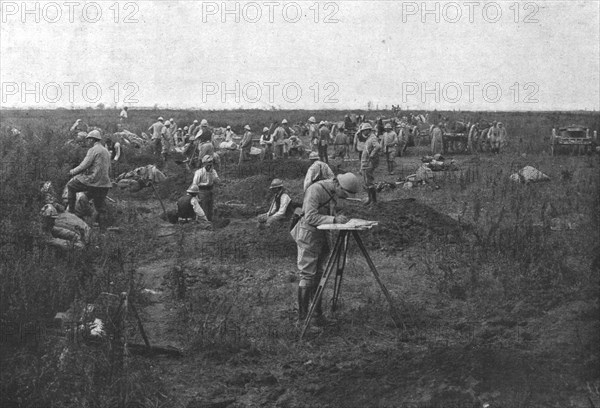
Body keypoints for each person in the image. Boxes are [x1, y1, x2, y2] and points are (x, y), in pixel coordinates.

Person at [290, 172, 360, 322]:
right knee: (307, 275)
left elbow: (328, 210)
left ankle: (317, 315)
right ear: (337, 184)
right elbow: (309, 216)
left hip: (322, 236)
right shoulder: (315, 190)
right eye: (344, 193)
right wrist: (334, 219)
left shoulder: (334, 191)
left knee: (319, 274)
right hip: (308, 236)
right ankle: (303, 319)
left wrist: (335, 217)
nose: (344, 197)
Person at [66, 130, 112, 230]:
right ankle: (103, 231)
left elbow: (84, 165)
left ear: (92, 139)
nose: (87, 142)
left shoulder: (93, 150)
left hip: (93, 181)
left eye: (88, 140)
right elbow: (109, 168)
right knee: (100, 207)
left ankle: (71, 212)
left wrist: (71, 172)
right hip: (105, 183)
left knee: (71, 186)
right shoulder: (106, 151)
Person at [193, 155, 220, 221]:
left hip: (210, 190)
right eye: (208, 162)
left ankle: (209, 221)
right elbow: (195, 184)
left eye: (211, 162)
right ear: (204, 163)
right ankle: (203, 222)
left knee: (210, 207)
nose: (210, 164)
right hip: (202, 191)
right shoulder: (199, 172)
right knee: (203, 207)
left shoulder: (213, 171)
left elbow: (218, 181)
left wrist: (213, 176)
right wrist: (196, 196)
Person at [361, 123, 381, 205]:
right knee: (366, 181)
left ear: (368, 130)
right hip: (366, 162)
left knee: (369, 182)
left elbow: (378, 146)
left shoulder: (372, 138)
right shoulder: (369, 138)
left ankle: (373, 201)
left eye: (364, 130)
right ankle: (370, 199)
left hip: (369, 162)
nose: (363, 132)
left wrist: (372, 154)